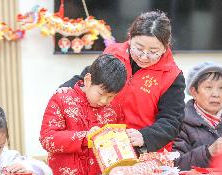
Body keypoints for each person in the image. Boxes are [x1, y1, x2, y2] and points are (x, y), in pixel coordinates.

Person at [59, 11, 185, 152]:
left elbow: (172, 121)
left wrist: (145, 136)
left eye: (153, 51)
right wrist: (64, 93)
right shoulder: (114, 53)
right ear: (130, 38)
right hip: (104, 144)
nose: (144, 56)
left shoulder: (172, 76)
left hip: (141, 151)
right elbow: (89, 79)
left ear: (165, 47)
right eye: (139, 48)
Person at [39, 54, 127, 175]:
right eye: (100, 94)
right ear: (87, 80)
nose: (104, 101)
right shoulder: (61, 99)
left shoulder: (114, 108)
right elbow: (47, 139)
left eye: (111, 96)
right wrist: (84, 138)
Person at [172, 62, 222, 170]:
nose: (216, 94)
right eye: (208, 87)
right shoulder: (179, 122)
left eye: (221, 88)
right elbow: (175, 164)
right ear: (193, 92)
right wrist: (208, 152)